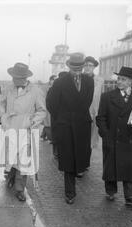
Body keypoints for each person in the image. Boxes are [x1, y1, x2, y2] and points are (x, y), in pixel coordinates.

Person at [47, 53, 94, 204]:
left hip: (82, 125)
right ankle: (70, 192)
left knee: (79, 158)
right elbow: (51, 103)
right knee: (68, 159)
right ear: (69, 67)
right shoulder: (60, 82)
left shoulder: (89, 81)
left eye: (80, 69)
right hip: (65, 126)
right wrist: (62, 118)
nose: (77, 72)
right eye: (74, 69)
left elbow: (88, 101)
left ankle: (74, 181)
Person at [96, 66, 132, 205]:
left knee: (130, 165)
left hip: (130, 138)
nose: (119, 81)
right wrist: (105, 134)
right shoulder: (107, 96)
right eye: (118, 78)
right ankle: (110, 191)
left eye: (123, 79)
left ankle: (130, 195)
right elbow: (100, 118)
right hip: (111, 137)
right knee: (110, 164)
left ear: (130, 81)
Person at [0, 62, 46, 202]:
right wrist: (2, 118)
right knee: (10, 157)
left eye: (18, 77)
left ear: (25, 77)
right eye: (14, 77)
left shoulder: (36, 91)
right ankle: (11, 176)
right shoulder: (7, 88)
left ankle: (20, 189)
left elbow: (42, 110)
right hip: (10, 128)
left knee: (23, 160)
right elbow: (1, 104)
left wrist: (32, 122)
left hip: (25, 130)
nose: (15, 80)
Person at [83, 56, 104, 151]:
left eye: (90, 65)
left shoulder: (99, 80)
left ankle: (86, 160)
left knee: (91, 138)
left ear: (94, 67)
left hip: (94, 112)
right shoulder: (79, 79)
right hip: (81, 113)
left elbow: (101, 97)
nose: (88, 67)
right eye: (86, 65)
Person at [41, 75, 56, 141]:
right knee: (48, 124)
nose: (55, 81)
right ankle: (51, 138)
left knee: (47, 123)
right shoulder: (45, 87)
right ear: (50, 80)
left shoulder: (55, 87)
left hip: (51, 108)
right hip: (46, 107)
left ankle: (43, 135)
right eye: (53, 80)